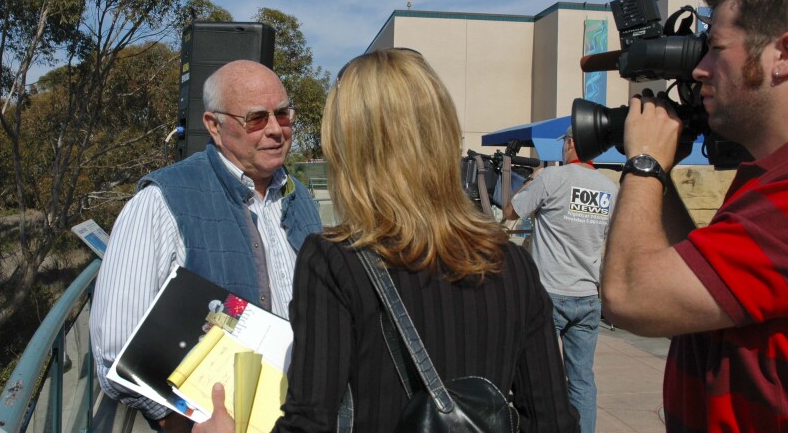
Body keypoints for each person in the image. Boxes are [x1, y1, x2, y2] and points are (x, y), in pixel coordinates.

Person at [194, 48, 579, 432]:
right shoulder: (512, 265)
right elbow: (555, 421)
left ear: (350, 147)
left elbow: (309, 424)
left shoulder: (333, 261)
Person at [600, 0, 788, 431]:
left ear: (784, 54)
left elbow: (629, 295)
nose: (700, 70)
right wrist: (660, 176)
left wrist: (643, 163)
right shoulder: (763, 180)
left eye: (716, 49)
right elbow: (681, 283)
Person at [90, 60, 323, 432]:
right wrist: (178, 419)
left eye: (283, 114)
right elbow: (115, 350)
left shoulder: (301, 200)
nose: (277, 130)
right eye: (257, 119)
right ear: (214, 126)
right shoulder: (161, 203)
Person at [503, 126, 617, 433]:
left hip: (549, 294)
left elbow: (511, 211)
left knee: (536, 376)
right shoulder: (609, 189)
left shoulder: (552, 179)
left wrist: (532, 178)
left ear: (569, 145)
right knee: (581, 379)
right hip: (587, 297)